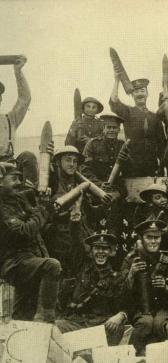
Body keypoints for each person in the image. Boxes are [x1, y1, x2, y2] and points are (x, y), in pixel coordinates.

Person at [0, 163, 61, 322]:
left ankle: (17, 343)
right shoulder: (2, 205)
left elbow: (44, 189)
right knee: (52, 266)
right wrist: (41, 209)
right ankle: (47, 318)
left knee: (23, 316)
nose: (19, 182)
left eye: (20, 178)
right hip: (14, 263)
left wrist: (49, 165)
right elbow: (25, 230)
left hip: (29, 260)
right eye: (14, 179)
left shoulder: (18, 198)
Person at [121, 219, 168, 355]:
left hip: (164, 308)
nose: (153, 241)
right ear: (142, 238)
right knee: (146, 323)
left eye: (157, 237)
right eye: (149, 237)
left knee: (160, 323)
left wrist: (166, 288)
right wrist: (131, 274)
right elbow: (121, 293)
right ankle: (130, 356)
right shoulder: (131, 260)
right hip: (140, 309)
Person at [55, 231, 127, 346]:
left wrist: (121, 315)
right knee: (56, 326)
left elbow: (124, 303)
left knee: (116, 327)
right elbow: (75, 244)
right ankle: (82, 348)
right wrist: (75, 224)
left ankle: (90, 350)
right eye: (97, 248)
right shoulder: (81, 268)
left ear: (110, 252)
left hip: (99, 325)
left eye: (105, 249)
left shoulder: (116, 277)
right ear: (92, 252)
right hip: (76, 323)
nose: (100, 252)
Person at [45, 145, 91, 278]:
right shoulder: (52, 182)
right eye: (68, 160)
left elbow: (88, 210)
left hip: (80, 237)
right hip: (60, 240)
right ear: (59, 162)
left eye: (75, 161)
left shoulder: (80, 182)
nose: (72, 164)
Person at [110, 74, 166, 177]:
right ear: (132, 95)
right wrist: (117, 80)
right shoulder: (128, 112)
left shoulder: (155, 117)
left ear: (147, 94)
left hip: (152, 166)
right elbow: (114, 102)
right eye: (136, 92)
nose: (140, 94)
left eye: (142, 91)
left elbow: (162, 144)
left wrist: (162, 168)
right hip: (132, 165)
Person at [0, 56, 36, 185]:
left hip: (9, 168)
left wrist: (18, 72)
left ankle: (33, 198)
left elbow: (24, 99)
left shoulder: (9, 120)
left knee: (28, 157)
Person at [132, 182, 168, 258]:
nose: (163, 200)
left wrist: (167, 232)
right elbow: (138, 231)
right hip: (152, 252)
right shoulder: (146, 213)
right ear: (151, 201)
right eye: (157, 198)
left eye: (164, 196)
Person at [81, 113, 125, 187]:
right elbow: (85, 170)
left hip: (118, 186)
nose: (111, 130)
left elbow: (130, 171)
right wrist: (99, 184)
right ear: (103, 129)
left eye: (114, 128)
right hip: (97, 187)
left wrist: (127, 160)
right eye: (108, 127)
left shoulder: (122, 145)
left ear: (119, 130)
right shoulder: (92, 144)